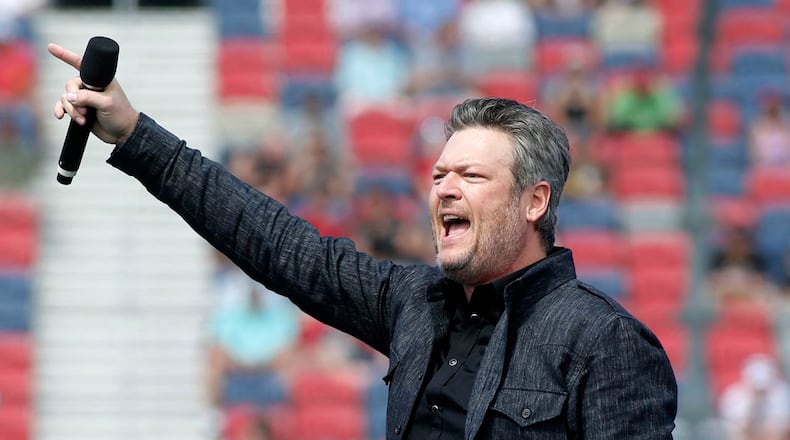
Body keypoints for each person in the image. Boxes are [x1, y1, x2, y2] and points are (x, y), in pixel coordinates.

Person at [50, 42, 677, 438]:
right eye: (438, 175)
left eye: (472, 175)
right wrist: (134, 133)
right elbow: (275, 242)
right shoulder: (414, 301)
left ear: (535, 201)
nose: (445, 189)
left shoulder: (605, 342)